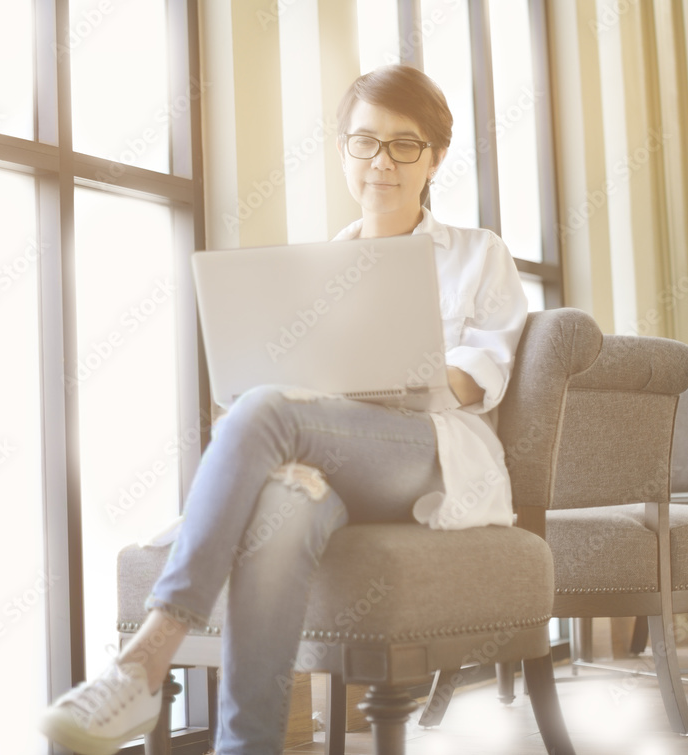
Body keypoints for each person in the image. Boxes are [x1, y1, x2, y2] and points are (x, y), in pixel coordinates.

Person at [39, 64, 528, 755]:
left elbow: (487, 373)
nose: (381, 161)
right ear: (342, 151)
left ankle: (147, 658)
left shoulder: (479, 254)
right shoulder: (316, 268)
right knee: (279, 507)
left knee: (271, 409)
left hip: (426, 454)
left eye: (403, 144)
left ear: (436, 156)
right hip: (323, 451)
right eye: (364, 142)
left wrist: (402, 374)